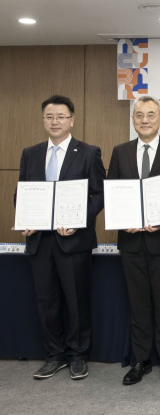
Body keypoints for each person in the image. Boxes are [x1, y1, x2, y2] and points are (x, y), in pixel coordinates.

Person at [13, 95, 106, 380]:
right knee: (46, 301)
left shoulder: (88, 152)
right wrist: (25, 219)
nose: (55, 121)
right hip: (40, 241)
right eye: (50, 117)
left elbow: (99, 195)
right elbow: (22, 193)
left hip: (73, 241)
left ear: (72, 120)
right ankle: (54, 356)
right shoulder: (30, 153)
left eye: (61, 117)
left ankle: (78, 355)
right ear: (43, 120)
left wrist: (78, 222)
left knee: (76, 300)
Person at [107, 95, 160, 385]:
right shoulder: (120, 152)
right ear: (133, 119)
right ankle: (140, 360)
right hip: (131, 243)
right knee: (138, 304)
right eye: (139, 115)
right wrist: (122, 221)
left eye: (151, 114)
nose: (145, 120)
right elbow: (113, 193)